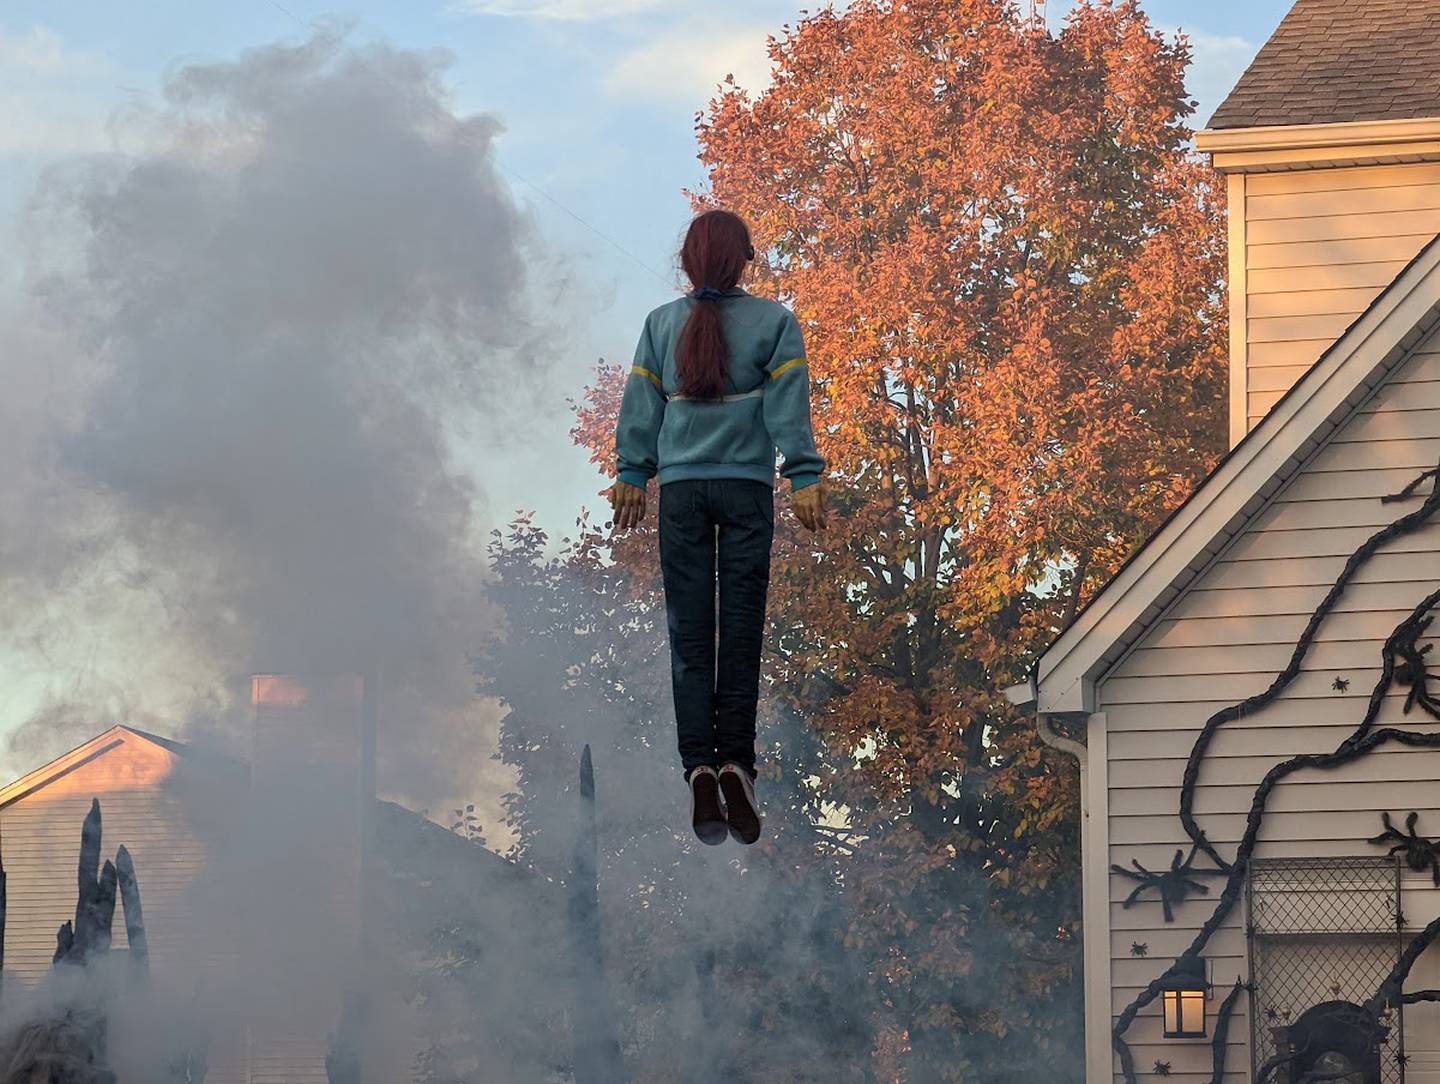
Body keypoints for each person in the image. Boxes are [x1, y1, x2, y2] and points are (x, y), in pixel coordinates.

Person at [610, 209, 827, 846]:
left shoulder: (660, 324)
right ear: (746, 260)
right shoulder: (775, 322)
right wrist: (805, 475)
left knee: (688, 633)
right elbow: (789, 410)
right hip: (745, 491)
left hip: (679, 493)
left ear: (688, 261)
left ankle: (698, 769)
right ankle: (736, 763)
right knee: (739, 634)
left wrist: (632, 471)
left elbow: (640, 407)